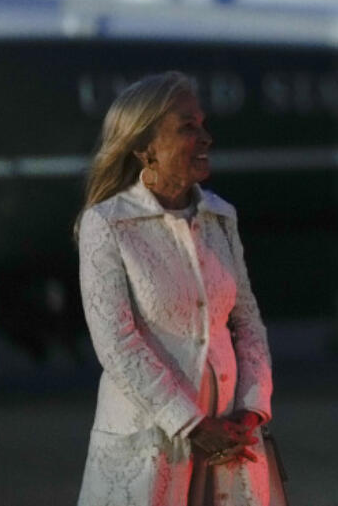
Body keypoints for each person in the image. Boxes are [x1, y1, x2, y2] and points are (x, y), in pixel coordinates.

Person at [75, 71, 275, 506]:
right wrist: (191, 424)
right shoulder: (108, 223)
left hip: (231, 445)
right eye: (188, 127)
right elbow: (116, 343)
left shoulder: (221, 217)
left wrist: (250, 411)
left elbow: (247, 321)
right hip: (149, 446)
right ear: (145, 147)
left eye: (202, 125)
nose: (205, 138)